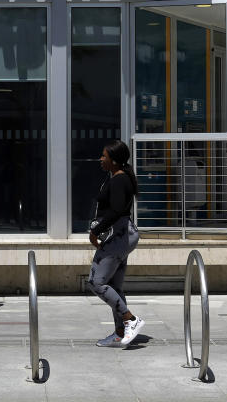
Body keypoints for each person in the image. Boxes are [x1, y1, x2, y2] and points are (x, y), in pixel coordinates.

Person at [88, 140, 144, 347]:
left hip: (118, 236)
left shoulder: (119, 180)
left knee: (96, 282)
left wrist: (95, 231)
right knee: (113, 286)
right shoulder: (117, 177)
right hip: (122, 236)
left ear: (114, 160)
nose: (101, 159)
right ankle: (120, 333)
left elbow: (117, 210)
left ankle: (130, 319)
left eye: (104, 156)